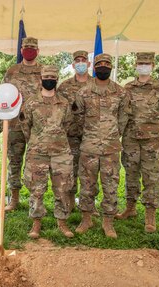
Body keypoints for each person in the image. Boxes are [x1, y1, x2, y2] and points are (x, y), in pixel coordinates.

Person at [75, 53, 131, 239]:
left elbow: (123, 117)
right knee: (87, 185)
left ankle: (108, 221)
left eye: (107, 64)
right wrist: (89, 135)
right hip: (89, 147)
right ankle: (86, 218)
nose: (104, 67)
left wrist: (113, 133)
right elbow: (78, 118)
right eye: (100, 64)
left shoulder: (121, 92)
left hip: (110, 148)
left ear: (111, 68)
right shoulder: (83, 92)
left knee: (110, 185)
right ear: (95, 67)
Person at [20, 65, 74, 239]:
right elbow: (25, 126)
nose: (49, 80)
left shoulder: (64, 103)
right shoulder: (31, 103)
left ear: (57, 80)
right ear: (40, 79)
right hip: (38, 153)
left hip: (60, 152)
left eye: (52, 77)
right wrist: (38, 140)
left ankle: (62, 222)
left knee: (63, 188)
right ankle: (36, 223)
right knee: (37, 189)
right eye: (46, 77)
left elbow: (67, 124)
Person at [116, 52, 159, 233]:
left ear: (153, 66)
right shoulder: (128, 88)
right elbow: (122, 112)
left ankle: (150, 215)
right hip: (131, 138)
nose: (143, 66)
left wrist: (155, 129)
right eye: (140, 63)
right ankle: (130, 208)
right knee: (131, 173)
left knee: (151, 177)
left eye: (146, 63)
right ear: (135, 65)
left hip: (153, 140)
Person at [3, 37, 42, 212]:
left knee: (37, 163)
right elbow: (4, 94)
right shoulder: (12, 71)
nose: (29, 50)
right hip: (15, 124)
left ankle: (36, 199)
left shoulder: (44, 71)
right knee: (14, 161)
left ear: (38, 51)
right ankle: (14, 199)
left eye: (32, 48)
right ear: (21, 51)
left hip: (37, 126)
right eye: (26, 48)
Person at [57, 50, 93, 212]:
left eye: (83, 60)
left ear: (89, 64)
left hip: (91, 135)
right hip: (70, 135)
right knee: (70, 169)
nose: (80, 63)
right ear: (73, 65)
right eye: (77, 61)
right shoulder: (64, 87)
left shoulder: (95, 85)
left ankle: (89, 204)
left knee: (90, 170)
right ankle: (70, 201)